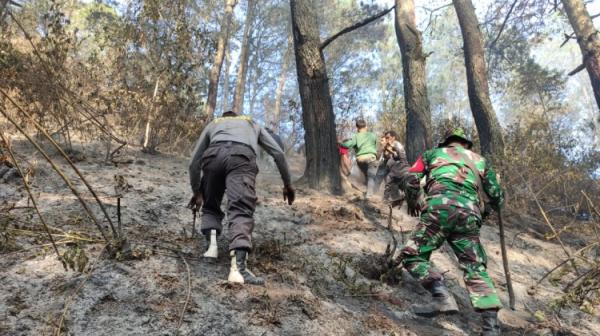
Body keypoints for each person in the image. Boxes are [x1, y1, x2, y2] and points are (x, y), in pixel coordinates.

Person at [396, 127, 504, 336]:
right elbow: (497, 196)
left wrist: (413, 201)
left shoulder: (432, 154)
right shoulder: (480, 160)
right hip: (469, 216)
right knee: (475, 268)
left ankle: (442, 297)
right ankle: (491, 328)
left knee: (412, 255)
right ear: (465, 144)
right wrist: (489, 209)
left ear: (447, 143)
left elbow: (410, 178)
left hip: (439, 209)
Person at [188, 110, 295, 286]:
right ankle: (238, 270)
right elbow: (278, 153)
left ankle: (211, 248)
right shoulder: (252, 123)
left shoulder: (214, 124)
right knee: (241, 209)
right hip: (242, 157)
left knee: (211, 203)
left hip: (213, 155)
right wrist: (287, 183)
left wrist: (197, 192)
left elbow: (193, 163)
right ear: (237, 116)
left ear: (224, 117)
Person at [340, 119, 378, 198]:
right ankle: (369, 195)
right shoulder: (372, 135)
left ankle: (368, 191)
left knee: (367, 175)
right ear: (366, 126)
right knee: (371, 176)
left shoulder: (356, 136)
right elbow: (375, 145)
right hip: (371, 158)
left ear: (357, 127)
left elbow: (348, 145)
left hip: (360, 160)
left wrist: (341, 143)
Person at [375, 130, 408, 201]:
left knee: (389, 178)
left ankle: (385, 200)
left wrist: (389, 150)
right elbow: (385, 157)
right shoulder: (389, 145)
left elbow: (399, 157)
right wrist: (384, 149)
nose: (386, 139)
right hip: (391, 168)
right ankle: (375, 193)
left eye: (388, 138)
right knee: (382, 176)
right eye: (386, 138)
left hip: (400, 167)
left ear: (393, 137)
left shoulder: (397, 144)